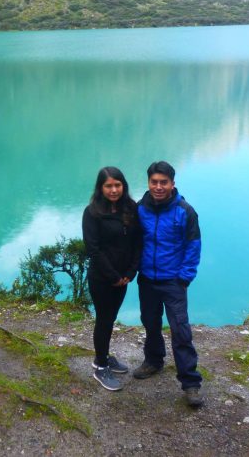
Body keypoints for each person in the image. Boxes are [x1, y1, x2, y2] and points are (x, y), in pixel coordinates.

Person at [133, 161, 204, 407]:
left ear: (173, 183)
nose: (159, 186)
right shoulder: (140, 208)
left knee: (180, 330)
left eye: (164, 182)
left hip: (173, 281)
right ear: (149, 183)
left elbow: (193, 246)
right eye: (154, 182)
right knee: (150, 323)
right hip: (147, 280)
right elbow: (132, 240)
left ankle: (191, 383)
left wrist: (185, 276)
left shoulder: (184, 211)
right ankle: (154, 360)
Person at [82, 166, 142, 391]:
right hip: (102, 278)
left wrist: (131, 272)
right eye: (109, 186)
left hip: (123, 277)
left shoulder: (130, 208)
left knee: (111, 317)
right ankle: (100, 365)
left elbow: (138, 242)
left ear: (123, 186)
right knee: (104, 319)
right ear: (100, 188)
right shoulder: (92, 212)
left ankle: (105, 356)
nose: (114, 189)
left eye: (118, 185)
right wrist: (114, 276)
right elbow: (93, 250)